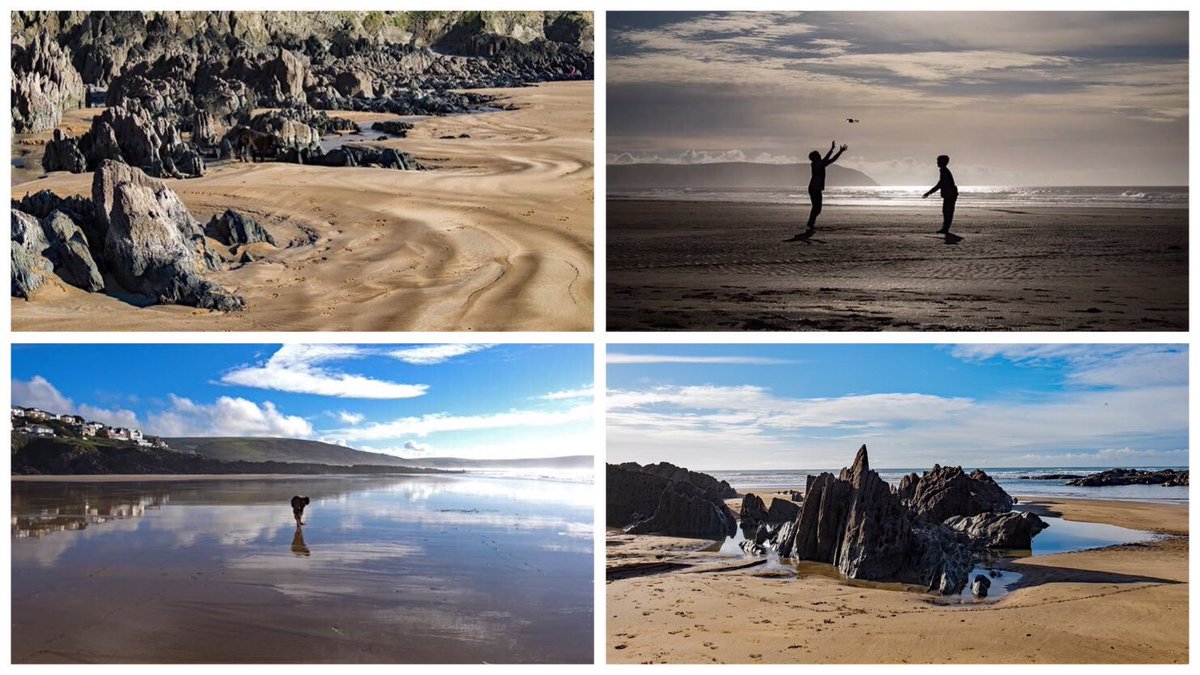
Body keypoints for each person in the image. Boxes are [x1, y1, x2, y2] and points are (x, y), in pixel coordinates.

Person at [788, 141, 847, 239]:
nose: (820, 155)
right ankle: (810, 224)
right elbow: (827, 158)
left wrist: (840, 152)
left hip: (816, 188)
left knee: (818, 208)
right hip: (814, 188)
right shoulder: (815, 164)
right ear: (814, 157)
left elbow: (832, 160)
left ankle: (811, 223)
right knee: (816, 207)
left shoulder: (820, 164)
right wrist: (832, 149)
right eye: (818, 155)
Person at [923, 154, 959, 234]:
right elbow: (941, 184)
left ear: (943, 162)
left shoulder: (944, 171)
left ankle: (945, 229)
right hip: (950, 194)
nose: (937, 163)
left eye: (938, 161)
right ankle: (945, 228)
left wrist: (929, 192)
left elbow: (941, 184)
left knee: (947, 211)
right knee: (946, 211)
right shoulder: (944, 170)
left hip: (950, 194)